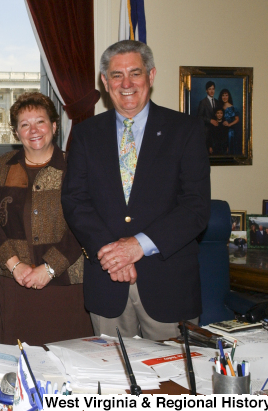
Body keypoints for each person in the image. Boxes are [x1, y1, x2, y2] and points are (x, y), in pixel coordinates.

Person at [62, 40, 211, 341]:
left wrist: (137, 246)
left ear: (151, 76)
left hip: (169, 287)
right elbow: (75, 200)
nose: (126, 83)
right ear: (105, 82)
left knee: (176, 384)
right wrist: (113, 254)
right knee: (112, 380)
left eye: (135, 73)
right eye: (117, 75)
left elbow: (195, 207)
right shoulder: (85, 134)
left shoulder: (186, 130)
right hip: (107, 283)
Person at [0, 92, 92, 346]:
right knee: (19, 367)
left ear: (54, 126)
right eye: (24, 124)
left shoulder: (76, 165)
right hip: (16, 285)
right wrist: (15, 265)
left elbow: (86, 223)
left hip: (66, 284)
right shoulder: (2, 166)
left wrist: (49, 268)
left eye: (40, 121)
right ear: (16, 132)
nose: (33, 130)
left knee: (70, 367)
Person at [218, 89, 241, 155]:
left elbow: (237, 119)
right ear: (221, 96)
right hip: (221, 131)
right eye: (223, 95)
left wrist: (229, 124)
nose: (224, 97)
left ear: (229, 96)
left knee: (229, 150)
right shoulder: (219, 106)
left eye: (226, 95)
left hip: (229, 132)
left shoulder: (233, 107)